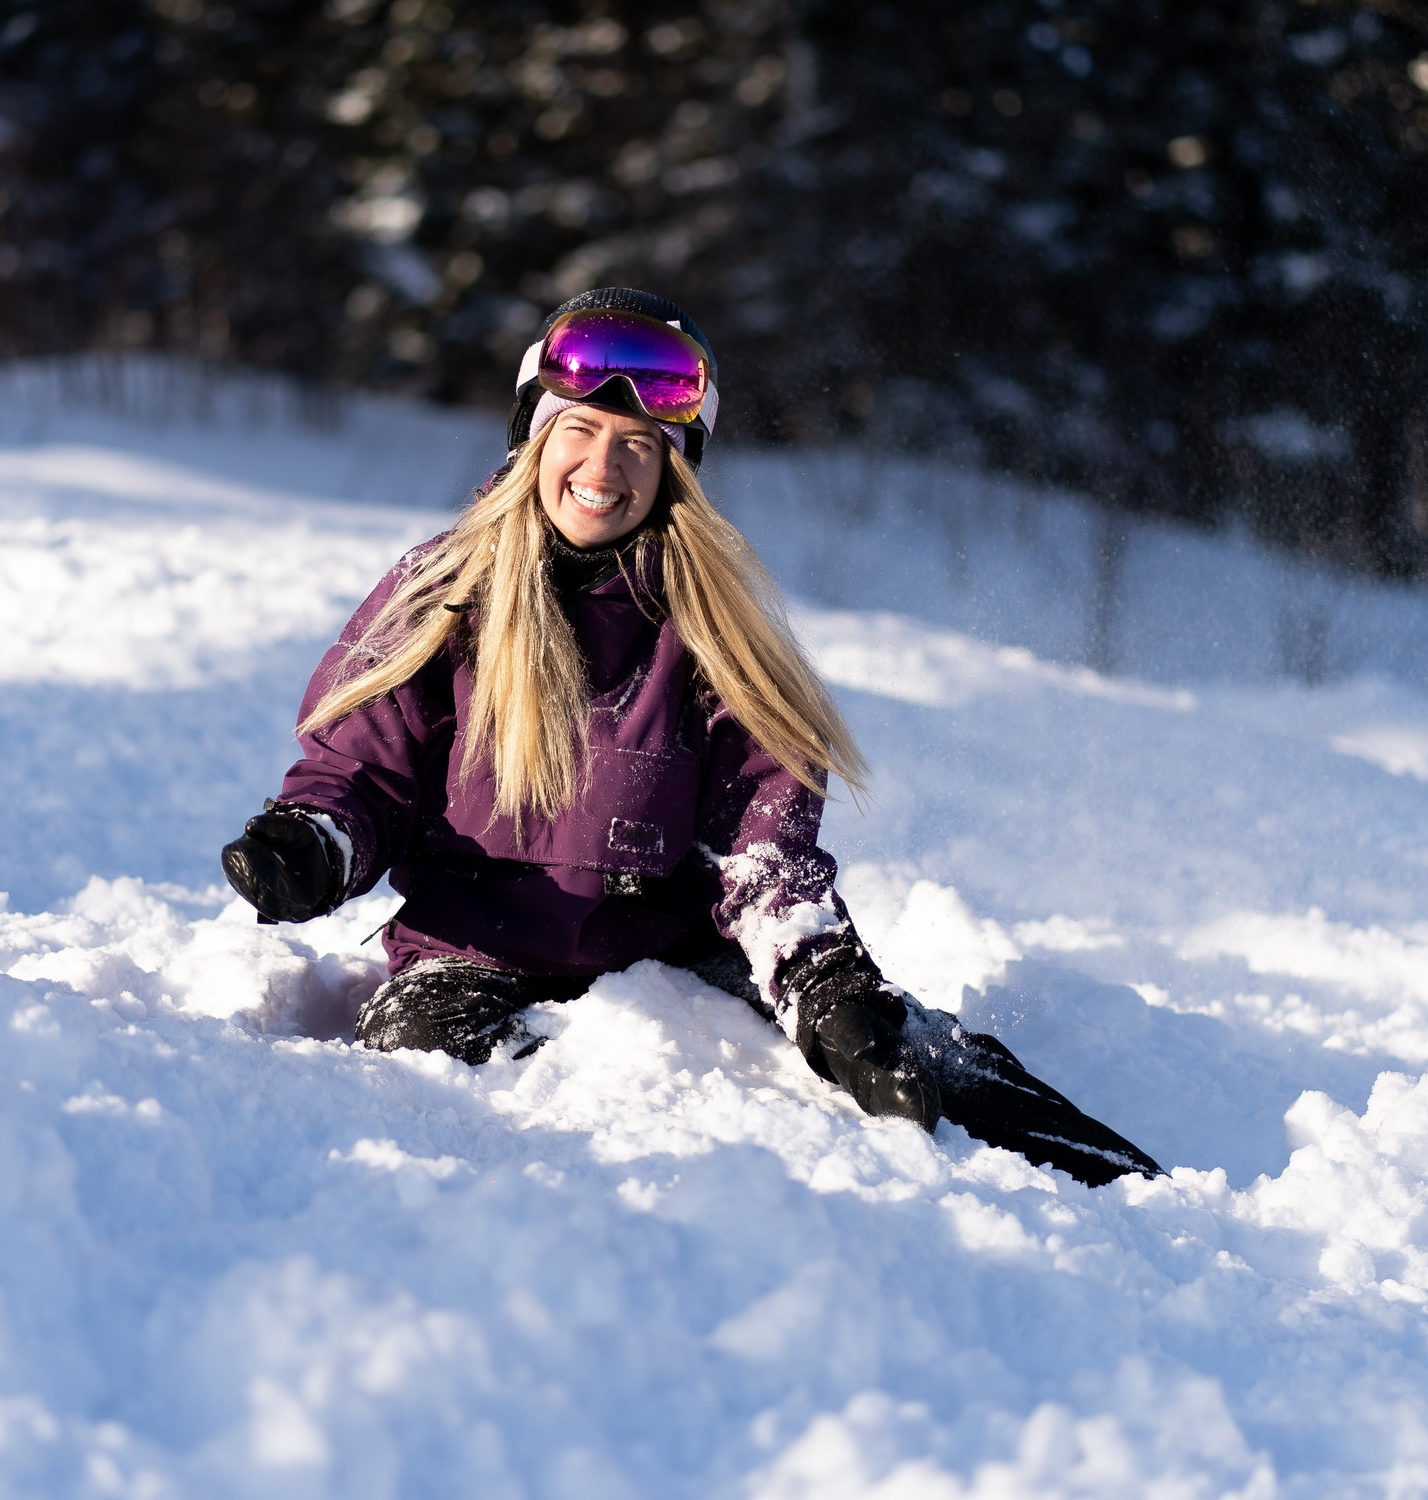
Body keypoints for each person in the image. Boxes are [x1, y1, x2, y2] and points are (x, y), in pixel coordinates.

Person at [220, 288, 1157, 1186]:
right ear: (532, 439)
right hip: (467, 965)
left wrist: (829, 992)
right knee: (465, 1083)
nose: (604, 466)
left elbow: (762, 851)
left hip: (671, 958)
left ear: (676, 465)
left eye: (639, 444)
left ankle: (1141, 1193)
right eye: (578, 430)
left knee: (895, 1063)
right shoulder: (443, 589)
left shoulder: (714, 625)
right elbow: (361, 771)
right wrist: (315, 842)